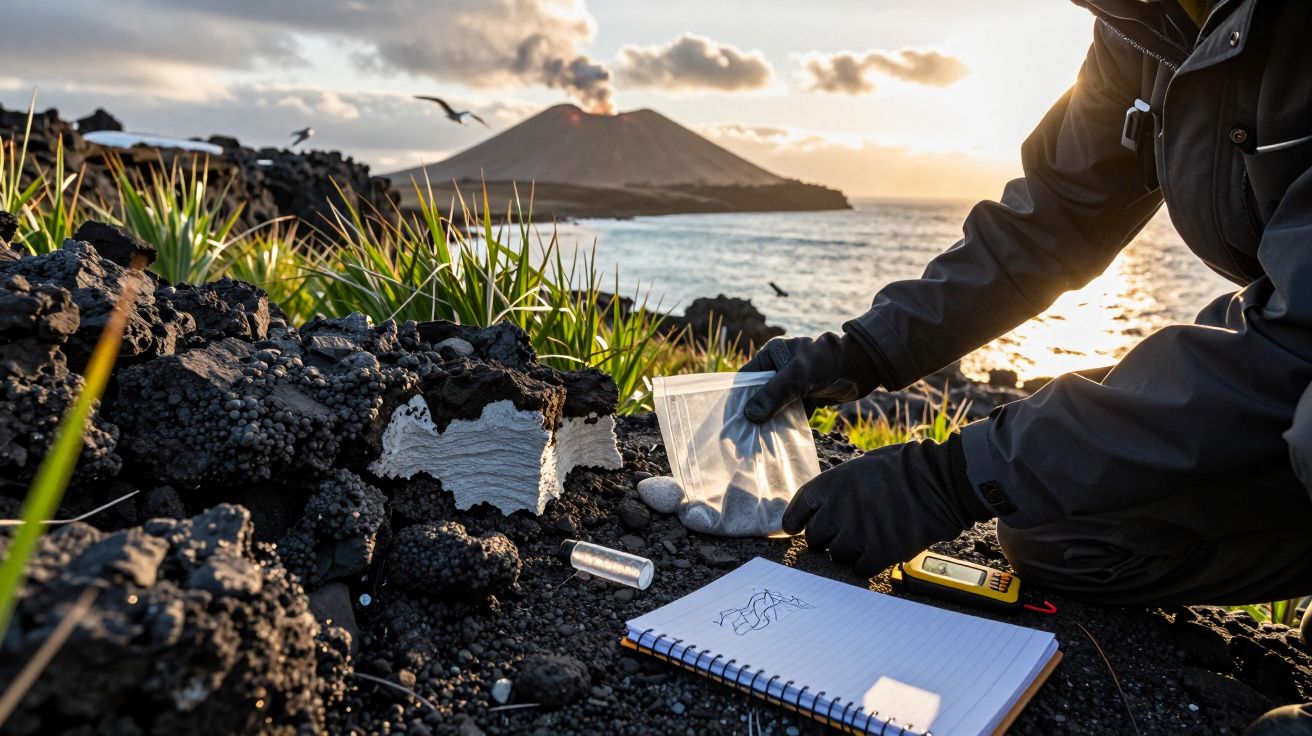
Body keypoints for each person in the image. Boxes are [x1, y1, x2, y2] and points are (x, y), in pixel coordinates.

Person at [742, 1, 1312, 731]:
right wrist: (860, 352)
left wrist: (947, 476)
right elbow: (1049, 221)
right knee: (1059, 531)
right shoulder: (1140, 26)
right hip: (1292, 357)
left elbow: (1301, 337)